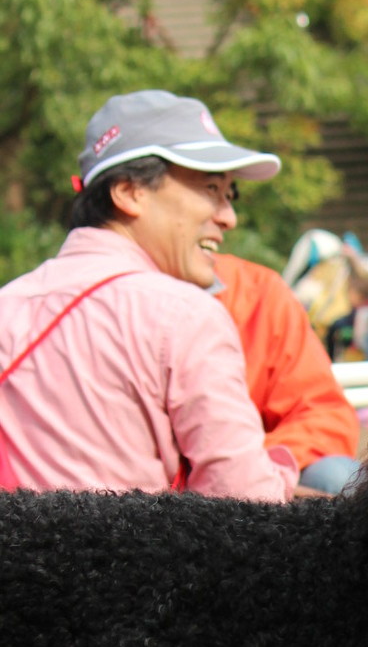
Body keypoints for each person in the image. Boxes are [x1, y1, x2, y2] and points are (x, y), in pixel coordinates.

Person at [0, 90, 296, 500]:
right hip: (142, 563)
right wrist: (281, 475)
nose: (228, 217)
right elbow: (246, 504)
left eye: (230, 195)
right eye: (210, 188)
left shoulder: (9, 306)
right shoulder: (183, 315)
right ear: (129, 192)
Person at [213, 252, 361, 494]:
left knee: (340, 478)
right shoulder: (135, 300)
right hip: (161, 492)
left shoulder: (255, 291)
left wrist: (258, 469)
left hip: (252, 473)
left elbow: (322, 413)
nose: (226, 219)